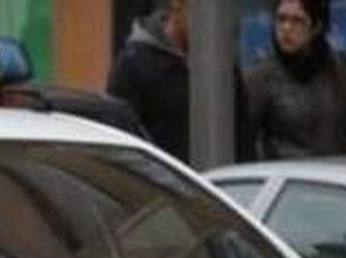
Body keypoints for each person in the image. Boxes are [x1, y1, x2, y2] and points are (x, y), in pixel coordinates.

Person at [106, 0, 252, 164]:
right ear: (177, 5)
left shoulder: (223, 63)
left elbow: (243, 137)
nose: (213, 24)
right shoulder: (135, 64)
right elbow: (120, 143)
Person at [246, 0, 346, 159]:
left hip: (339, 175)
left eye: (297, 21)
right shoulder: (261, 77)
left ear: (316, 27)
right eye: (281, 19)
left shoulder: (340, 68)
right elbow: (244, 143)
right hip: (291, 178)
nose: (286, 28)